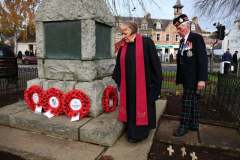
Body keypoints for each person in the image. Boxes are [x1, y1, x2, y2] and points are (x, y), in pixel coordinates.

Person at [112, 22, 163, 143]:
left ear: (132, 30)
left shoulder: (146, 43)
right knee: (130, 110)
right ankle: (130, 132)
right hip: (128, 86)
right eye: (122, 33)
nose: (123, 35)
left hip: (144, 86)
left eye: (125, 32)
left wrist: (156, 84)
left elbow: (155, 64)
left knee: (141, 109)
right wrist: (118, 79)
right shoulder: (123, 46)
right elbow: (118, 65)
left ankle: (140, 134)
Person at [173, 14, 208, 137]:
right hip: (186, 78)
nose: (177, 31)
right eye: (176, 28)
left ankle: (184, 126)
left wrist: (202, 79)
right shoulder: (183, 41)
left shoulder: (196, 38)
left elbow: (203, 60)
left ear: (186, 25)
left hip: (194, 78)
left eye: (179, 28)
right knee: (193, 101)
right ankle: (194, 124)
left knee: (187, 102)